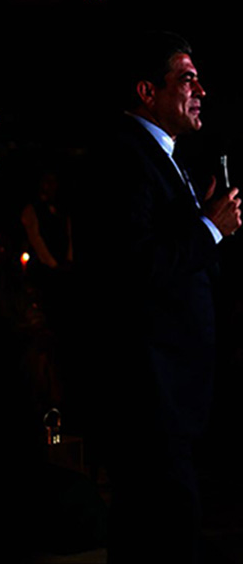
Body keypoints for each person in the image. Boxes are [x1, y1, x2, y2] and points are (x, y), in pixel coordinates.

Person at [77, 31, 241, 563]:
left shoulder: (160, 155)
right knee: (165, 527)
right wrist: (210, 229)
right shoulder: (124, 155)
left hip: (172, 390)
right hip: (148, 392)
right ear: (148, 90)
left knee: (154, 527)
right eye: (186, 79)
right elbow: (131, 266)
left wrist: (200, 219)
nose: (200, 91)